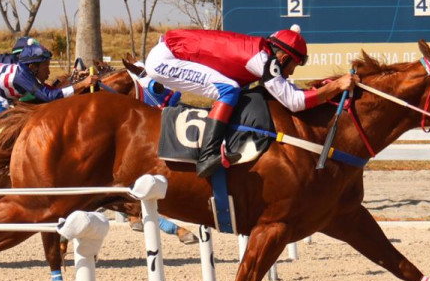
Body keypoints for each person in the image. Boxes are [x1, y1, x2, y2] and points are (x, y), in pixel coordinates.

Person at [144, 25, 358, 177]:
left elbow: (288, 92)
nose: (291, 73)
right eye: (293, 66)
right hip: (165, 60)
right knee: (229, 89)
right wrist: (336, 86)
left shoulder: (263, 54)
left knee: (233, 89)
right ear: (284, 58)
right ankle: (207, 155)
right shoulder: (263, 61)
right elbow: (293, 101)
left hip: (172, 52)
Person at [0, 39, 96, 153]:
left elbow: (45, 92)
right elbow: (49, 96)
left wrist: (76, 81)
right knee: (0, 104)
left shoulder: (26, 71)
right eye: (46, 67)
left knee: (4, 105)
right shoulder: (22, 74)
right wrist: (82, 84)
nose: (49, 72)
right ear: (33, 67)